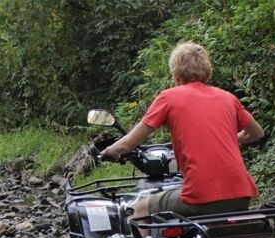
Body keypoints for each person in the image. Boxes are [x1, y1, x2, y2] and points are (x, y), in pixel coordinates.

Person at [101, 41, 264, 224]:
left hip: (202, 197)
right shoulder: (228, 98)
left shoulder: (169, 98)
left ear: (176, 75)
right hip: (241, 196)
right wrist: (233, 138)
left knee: (141, 208)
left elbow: (128, 144)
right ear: (207, 71)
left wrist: (109, 151)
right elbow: (257, 133)